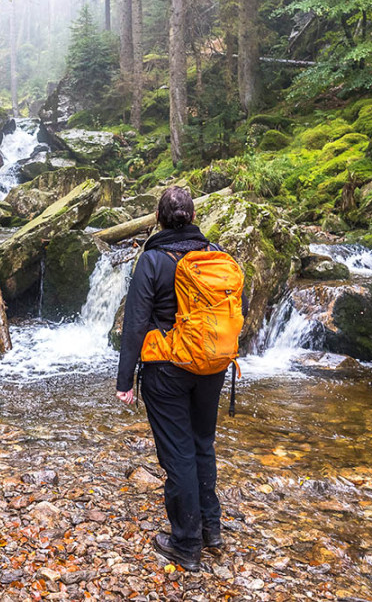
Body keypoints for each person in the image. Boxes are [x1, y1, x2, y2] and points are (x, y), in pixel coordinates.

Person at [115, 185, 229, 572]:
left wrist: (124, 380)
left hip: (166, 370)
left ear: (159, 220)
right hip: (211, 367)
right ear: (193, 218)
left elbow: (134, 324)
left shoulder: (152, 260)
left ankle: (185, 543)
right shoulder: (213, 255)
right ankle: (211, 529)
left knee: (178, 453)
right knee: (202, 444)